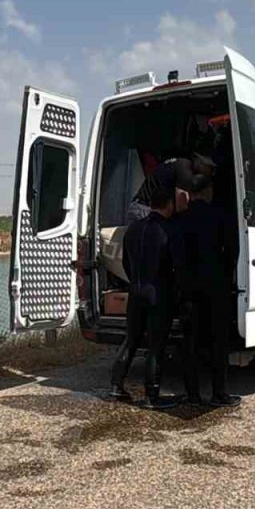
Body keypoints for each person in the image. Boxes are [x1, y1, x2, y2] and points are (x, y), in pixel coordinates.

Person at [109, 162, 184, 410]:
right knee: (156, 346)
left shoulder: (133, 229)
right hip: (157, 293)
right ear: (169, 205)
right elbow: (175, 264)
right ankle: (152, 396)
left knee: (131, 340)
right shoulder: (168, 230)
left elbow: (126, 263)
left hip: (135, 291)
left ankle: (115, 386)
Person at [175, 173, 243, 407]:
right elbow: (233, 249)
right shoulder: (220, 216)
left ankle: (192, 393)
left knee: (191, 343)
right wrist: (227, 274)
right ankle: (219, 393)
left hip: (188, 290)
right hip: (216, 287)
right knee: (218, 343)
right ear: (207, 191)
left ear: (189, 194)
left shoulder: (180, 220)